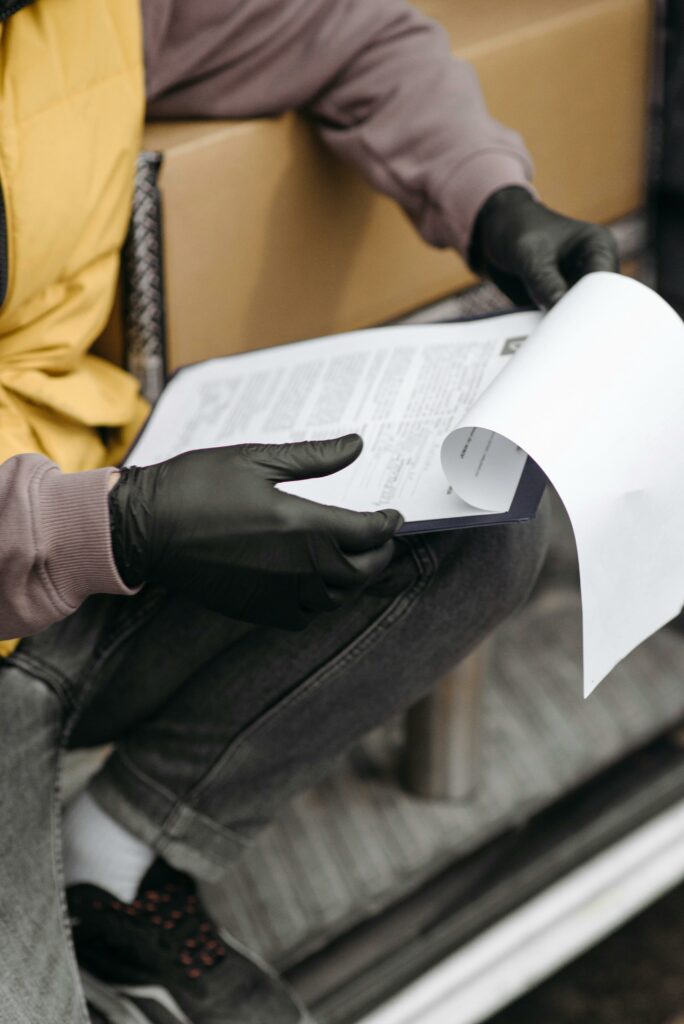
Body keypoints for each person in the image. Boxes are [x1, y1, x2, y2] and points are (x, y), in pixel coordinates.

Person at [0, 1, 618, 1022]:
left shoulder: (89, 10)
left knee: (470, 520)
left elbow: (350, 33)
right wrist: (118, 525)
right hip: (74, 535)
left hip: (84, 531)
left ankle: (113, 857)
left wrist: (490, 201)